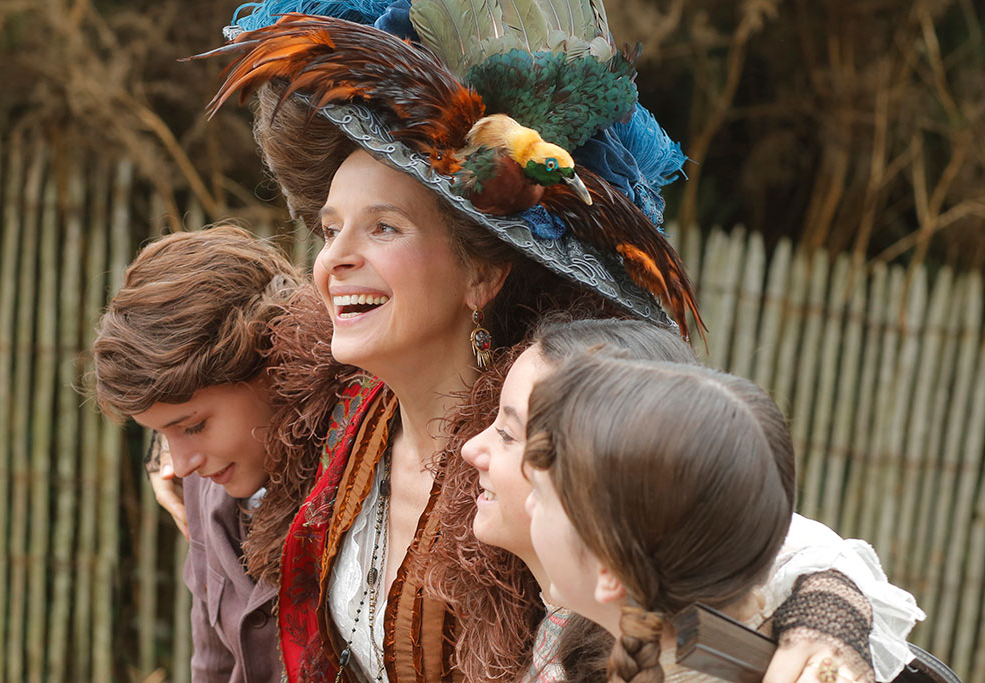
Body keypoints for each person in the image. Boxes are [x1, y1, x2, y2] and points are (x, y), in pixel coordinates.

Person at [146, 2, 916, 681]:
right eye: (330, 227)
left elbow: (764, 543)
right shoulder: (324, 409)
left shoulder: (546, 420)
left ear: (481, 271)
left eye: (384, 227)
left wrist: (830, 624)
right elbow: (209, 373)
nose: (335, 258)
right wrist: (180, 454)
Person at [450, 318, 924, 683]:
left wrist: (825, 618)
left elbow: (796, 548)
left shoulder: (705, 641)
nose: (472, 449)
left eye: (514, 437)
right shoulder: (653, 624)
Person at [92, 225, 324, 683]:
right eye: (161, 436)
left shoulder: (356, 476)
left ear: (272, 361)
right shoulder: (207, 485)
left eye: (193, 426)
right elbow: (212, 661)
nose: (179, 464)